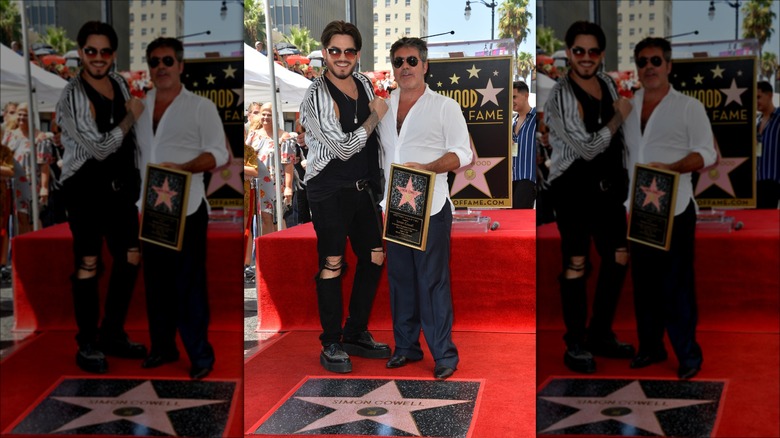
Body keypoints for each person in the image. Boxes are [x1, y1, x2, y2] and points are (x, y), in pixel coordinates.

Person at [376, 37, 473, 380]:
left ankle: (444, 354)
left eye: (412, 61)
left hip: (430, 206)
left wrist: (429, 168)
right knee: (400, 280)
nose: (405, 67)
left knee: (432, 282)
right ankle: (406, 347)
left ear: (425, 65)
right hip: (397, 208)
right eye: (399, 61)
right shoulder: (383, 108)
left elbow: (464, 154)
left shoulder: (445, 106)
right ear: (393, 66)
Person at [134, 37, 229, 380]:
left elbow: (219, 154)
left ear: (180, 66)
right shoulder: (139, 108)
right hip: (152, 209)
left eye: (168, 61)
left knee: (189, 285)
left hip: (187, 207)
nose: (161, 67)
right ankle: (162, 348)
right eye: (155, 61)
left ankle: (200, 356)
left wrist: (184, 168)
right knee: (155, 285)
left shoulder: (200, 107)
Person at [623, 37, 717, 380]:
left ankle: (688, 355)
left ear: (668, 66)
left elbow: (708, 154)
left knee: (677, 285)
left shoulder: (689, 107)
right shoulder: (628, 107)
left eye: (656, 61)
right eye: (643, 61)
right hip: (640, 210)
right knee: (644, 285)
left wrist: (673, 168)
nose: (649, 67)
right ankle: (650, 347)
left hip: (675, 208)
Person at [544, 21, 635, 374]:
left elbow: (618, 145)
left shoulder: (609, 82)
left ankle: (600, 334)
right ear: (569, 53)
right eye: (578, 51)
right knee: (576, 264)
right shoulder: (560, 94)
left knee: (619, 257)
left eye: (592, 51)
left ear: (601, 54)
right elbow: (587, 147)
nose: (585, 58)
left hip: (609, 190)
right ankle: (576, 342)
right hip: (573, 189)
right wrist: (618, 117)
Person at [56, 21, 147, 374]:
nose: (97, 58)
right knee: (88, 263)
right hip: (85, 190)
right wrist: (129, 116)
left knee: (131, 257)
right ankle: (87, 342)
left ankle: (112, 333)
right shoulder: (72, 94)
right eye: (90, 51)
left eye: (104, 51)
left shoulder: (120, 82)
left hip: (121, 192)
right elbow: (99, 147)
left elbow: (130, 142)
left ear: (113, 54)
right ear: (81, 53)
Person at [299, 20, 390, 373]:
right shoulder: (316, 94)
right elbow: (344, 147)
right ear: (325, 53)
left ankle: (355, 332)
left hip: (363, 189)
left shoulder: (365, 82)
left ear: (357, 54)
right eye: (334, 50)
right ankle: (331, 342)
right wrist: (373, 118)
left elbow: (376, 144)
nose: (341, 57)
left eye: (349, 51)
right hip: (329, 191)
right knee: (332, 263)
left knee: (375, 257)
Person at [244, 102, 295, 232]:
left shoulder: (284, 137)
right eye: (263, 114)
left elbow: (288, 163)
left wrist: (288, 187)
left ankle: (275, 248)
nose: (266, 117)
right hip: (255, 182)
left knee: (274, 217)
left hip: (274, 182)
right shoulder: (253, 135)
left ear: (276, 117)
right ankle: (264, 247)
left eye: (269, 115)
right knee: (261, 218)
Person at [5, 103, 51, 235]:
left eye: (25, 114)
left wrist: (44, 187)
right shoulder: (9, 135)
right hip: (11, 184)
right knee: (18, 219)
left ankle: (35, 247)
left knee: (31, 219)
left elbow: (44, 164)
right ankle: (22, 249)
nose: (21, 117)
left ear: (32, 116)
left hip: (30, 184)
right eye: (19, 114)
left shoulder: (39, 138)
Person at [511, 80, 537, 209]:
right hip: (510, 179)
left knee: (520, 217)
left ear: (526, 95)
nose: (511, 101)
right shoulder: (511, 122)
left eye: (514, 97)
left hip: (528, 177)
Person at [756, 81, 779, 209]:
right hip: (758, 181)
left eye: (759, 97)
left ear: (769, 95)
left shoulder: (779, 116)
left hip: (774, 179)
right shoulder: (756, 122)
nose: (756, 101)